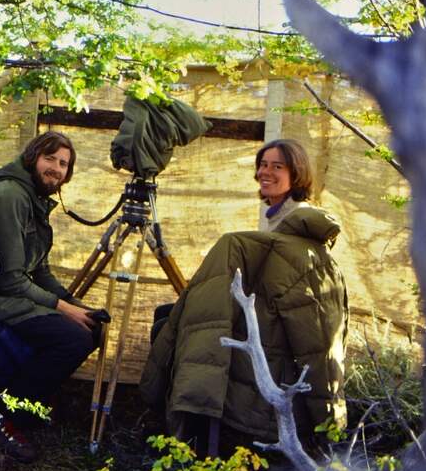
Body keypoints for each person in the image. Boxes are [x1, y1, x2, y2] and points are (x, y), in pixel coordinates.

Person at [140, 138, 349, 452]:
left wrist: (329, 422)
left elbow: (313, 328)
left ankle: (180, 427)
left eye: (277, 166)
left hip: (271, 337)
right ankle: (170, 423)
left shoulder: (297, 231)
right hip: (260, 318)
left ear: (297, 174)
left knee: (181, 327)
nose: (266, 172)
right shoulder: (275, 217)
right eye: (263, 165)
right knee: (168, 316)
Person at [0, 131, 98, 462]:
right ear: (32, 158)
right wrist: (64, 311)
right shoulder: (10, 197)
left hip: (12, 295)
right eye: (50, 159)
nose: (56, 169)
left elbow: (39, 271)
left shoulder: (34, 199)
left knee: (91, 326)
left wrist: (74, 304)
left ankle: (29, 403)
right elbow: (12, 281)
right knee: (74, 339)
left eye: (63, 164)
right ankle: (2, 416)